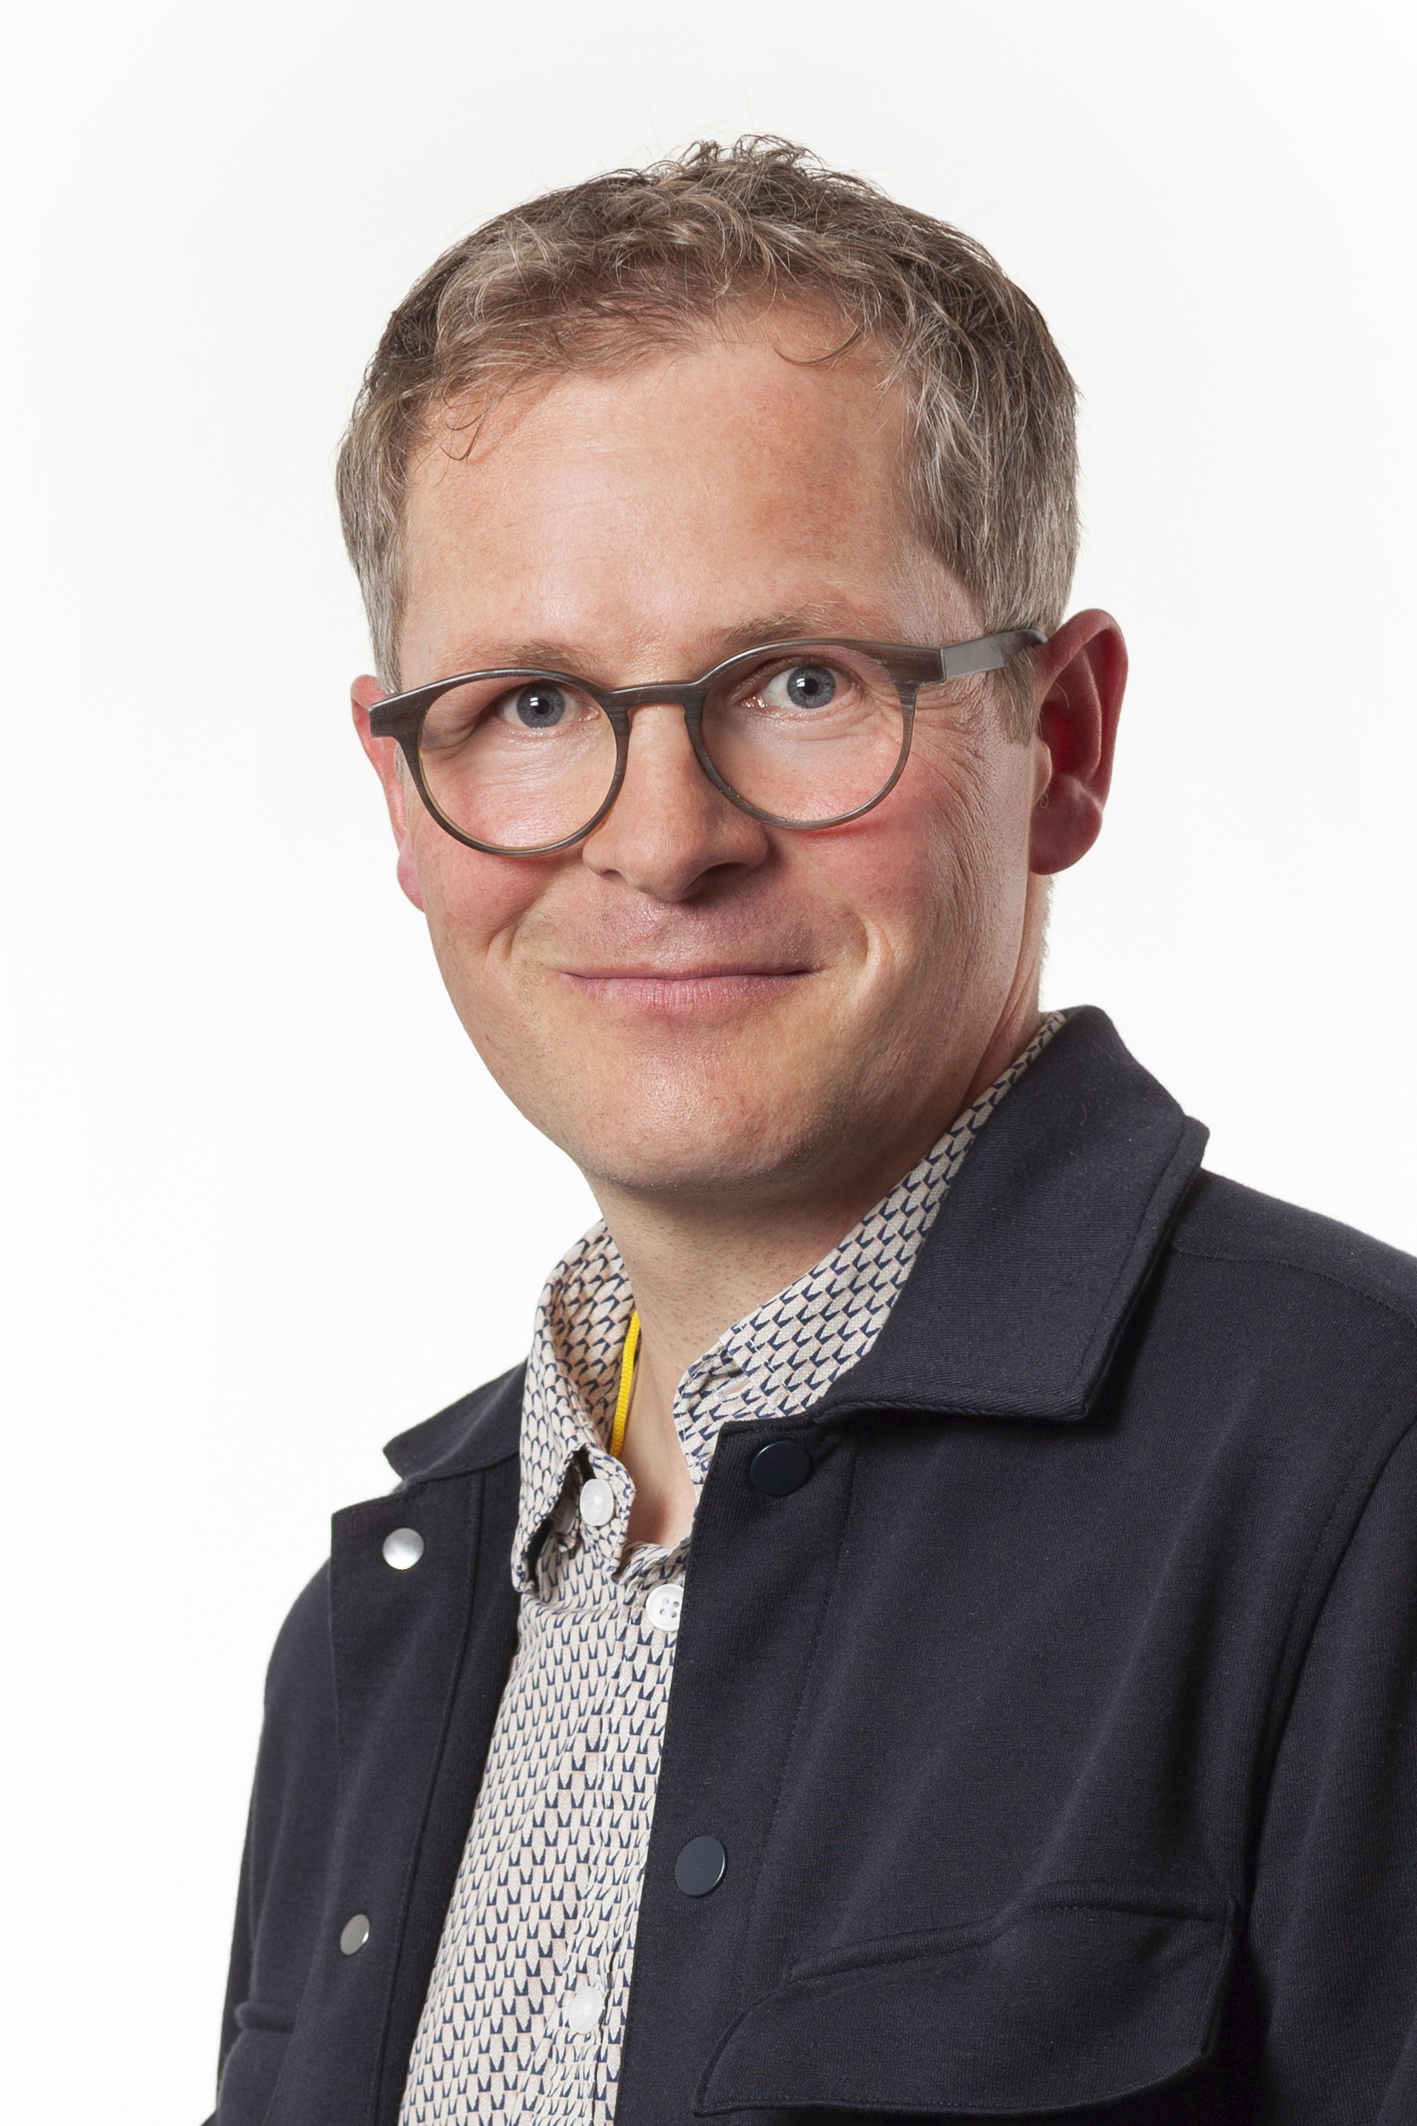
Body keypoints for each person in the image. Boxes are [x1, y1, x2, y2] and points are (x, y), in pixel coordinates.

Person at [210, 140, 1417, 2126]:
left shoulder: (1361, 1477)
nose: (663, 840)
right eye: (529, 705)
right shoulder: (378, 1628)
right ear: (401, 796)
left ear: (1063, 740)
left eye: (796, 681)